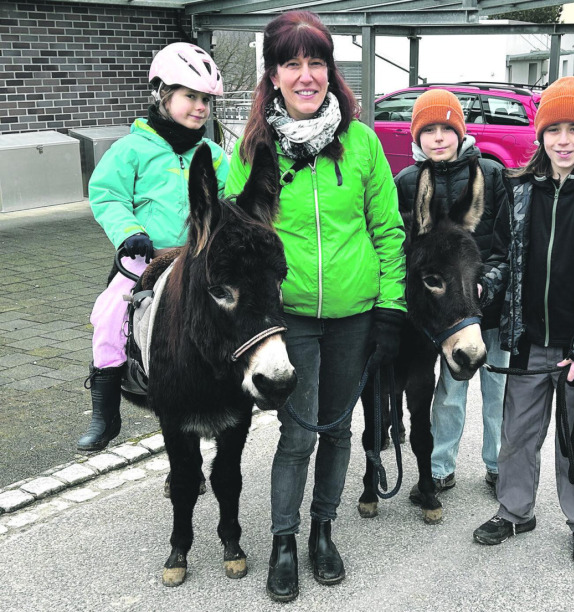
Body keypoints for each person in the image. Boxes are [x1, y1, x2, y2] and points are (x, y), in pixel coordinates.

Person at [224, 11, 406, 603]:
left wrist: (392, 309)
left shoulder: (362, 143)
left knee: (338, 431)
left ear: (331, 70)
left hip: (356, 314)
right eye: (292, 64)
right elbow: (233, 239)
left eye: (317, 62)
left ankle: (323, 532)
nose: (307, 76)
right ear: (273, 75)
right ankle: (284, 540)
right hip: (291, 317)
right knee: (299, 434)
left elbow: (388, 230)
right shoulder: (255, 149)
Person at [472, 76, 574, 565]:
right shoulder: (520, 191)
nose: (562, 140)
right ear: (540, 134)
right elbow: (500, 255)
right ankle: (514, 509)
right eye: (553, 129)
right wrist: (487, 284)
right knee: (517, 436)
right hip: (527, 344)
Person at [78, 42, 229, 452]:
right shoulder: (131, 150)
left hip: (197, 257)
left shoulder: (213, 154)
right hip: (143, 257)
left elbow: (227, 201)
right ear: (162, 94)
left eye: (205, 100)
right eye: (190, 96)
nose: (200, 107)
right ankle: (106, 413)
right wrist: (128, 231)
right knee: (110, 314)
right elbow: (106, 195)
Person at [393, 89, 510, 498]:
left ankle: (498, 466)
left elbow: (506, 246)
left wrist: (487, 285)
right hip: (442, 319)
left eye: (447, 128)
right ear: (417, 136)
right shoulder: (406, 182)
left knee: (497, 392)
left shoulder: (492, 175)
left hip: (489, 312)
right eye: (429, 130)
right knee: (448, 393)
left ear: (461, 132)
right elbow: (395, 249)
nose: (439, 137)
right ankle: (441, 466)